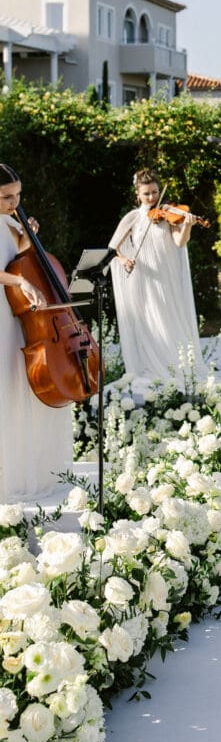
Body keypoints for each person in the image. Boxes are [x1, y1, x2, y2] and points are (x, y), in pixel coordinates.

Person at [0, 163, 73, 501]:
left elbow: (23, 257)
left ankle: (33, 464)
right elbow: (12, 272)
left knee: (22, 383)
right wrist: (20, 281)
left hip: (20, 313)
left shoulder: (11, 221)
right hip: (4, 310)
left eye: (17, 195)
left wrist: (28, 235)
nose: (14, 202)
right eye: (5, 197)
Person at [109, 169, 207, 385]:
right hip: (144, 278)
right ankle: (152, 367)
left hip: (166, 276)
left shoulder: (167, 214)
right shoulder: (133, 217)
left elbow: (180, 242)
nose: (152, 197)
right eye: (147, 194)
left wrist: (188, 225)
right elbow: (114, 248)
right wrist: (125, 260)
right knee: (150, 322)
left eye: (154, 192)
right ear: (138, 194)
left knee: (170, 318)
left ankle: (175, 367)